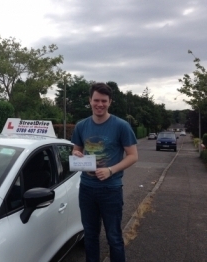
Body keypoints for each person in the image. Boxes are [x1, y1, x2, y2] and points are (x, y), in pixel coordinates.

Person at [71, 82, 138, 262]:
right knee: (90, 236)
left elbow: (133, 156)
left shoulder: (121, 126)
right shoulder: (81, 126)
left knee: (114, 238)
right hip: (86, 189)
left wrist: (111, 170)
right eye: (96, 100)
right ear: (90, 101)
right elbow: (76, 151)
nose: (99, 104)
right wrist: (77, 154)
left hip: (111, 190)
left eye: (104, 101)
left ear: (110, 102)